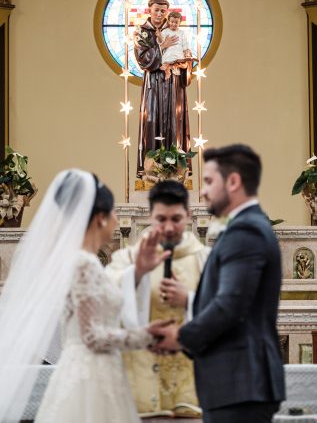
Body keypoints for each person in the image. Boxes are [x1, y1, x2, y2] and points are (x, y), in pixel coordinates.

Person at [0, 169, 167, 423]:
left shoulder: (84, 262)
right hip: (89, 376)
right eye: (112, 213)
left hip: (95, 372)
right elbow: (91, 336)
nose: (115, 219)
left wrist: (139, 271)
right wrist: (147, 336)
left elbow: (103, 301)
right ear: (100, 218)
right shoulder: (83, 264)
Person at [150, 144, 286, 423]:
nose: (202, 191)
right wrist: (191, 302)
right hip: (237, 383)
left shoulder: (246, 230)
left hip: (240, 382)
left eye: (209, 181)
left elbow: (230, 306)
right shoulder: (247, 227)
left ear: (233, 181)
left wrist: (180, 337)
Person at [108, 180, 210, 417]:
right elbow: (105, 298)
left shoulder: (205, 259)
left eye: (176, 219)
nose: (168, 227)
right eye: (161, 219)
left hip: (191, 386)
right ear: (150, 215)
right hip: (140, 383)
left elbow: (225, 310)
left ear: (188, 215)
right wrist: (136, 273)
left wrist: (189, 299)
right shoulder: (128, 258)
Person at [134, 0, 193, 178]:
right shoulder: (142, 32)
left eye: (163, 11)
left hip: (173, 81)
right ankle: (151, 169)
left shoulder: (174, 30)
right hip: (153, 83)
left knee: (175, 118)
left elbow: (184, 51)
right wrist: (161, 47)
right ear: (149, 11)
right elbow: (143, 58)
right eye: (156, 10)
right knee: (152, 119)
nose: (159, 14)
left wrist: (186, 62)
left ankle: (175, 169)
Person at [159, 11, 192, 80]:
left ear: (180, 22)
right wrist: (159, 36)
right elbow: (160, 42)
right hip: (169, 51)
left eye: (176, 22)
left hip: (178, 53)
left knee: (177, 63)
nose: (174, 24)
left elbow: (185, 44)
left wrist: (186, 51)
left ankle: (171, 69)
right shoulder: (165, 31)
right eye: (172, 22)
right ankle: (167, 71)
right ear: (168, 21)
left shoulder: (182, 33)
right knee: (167, 60)